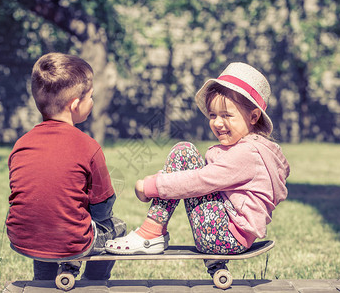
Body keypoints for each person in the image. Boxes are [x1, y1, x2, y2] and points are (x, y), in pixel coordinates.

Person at [105, 62, 290, 256]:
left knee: (184, 152)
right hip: (226, 233)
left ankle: (150, 232)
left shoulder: (247, 154)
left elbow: (200, 180)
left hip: (224, 236)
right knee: (185, 162)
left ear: (253, 117)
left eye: (226, 115)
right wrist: (163, 179)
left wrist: (152, 186)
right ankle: (151, 232)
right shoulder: (251, 149)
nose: (217, 123)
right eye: (213, 115)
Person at [6, 52, 126, 281]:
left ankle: (43, 281)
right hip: (73, 242)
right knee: (116, 227)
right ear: (75, 105)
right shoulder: (88, 146)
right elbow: (101, 210)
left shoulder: (21, 144)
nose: (93, 101)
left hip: (23, 238)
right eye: (91, 96)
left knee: (46, 220)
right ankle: (94, 283)